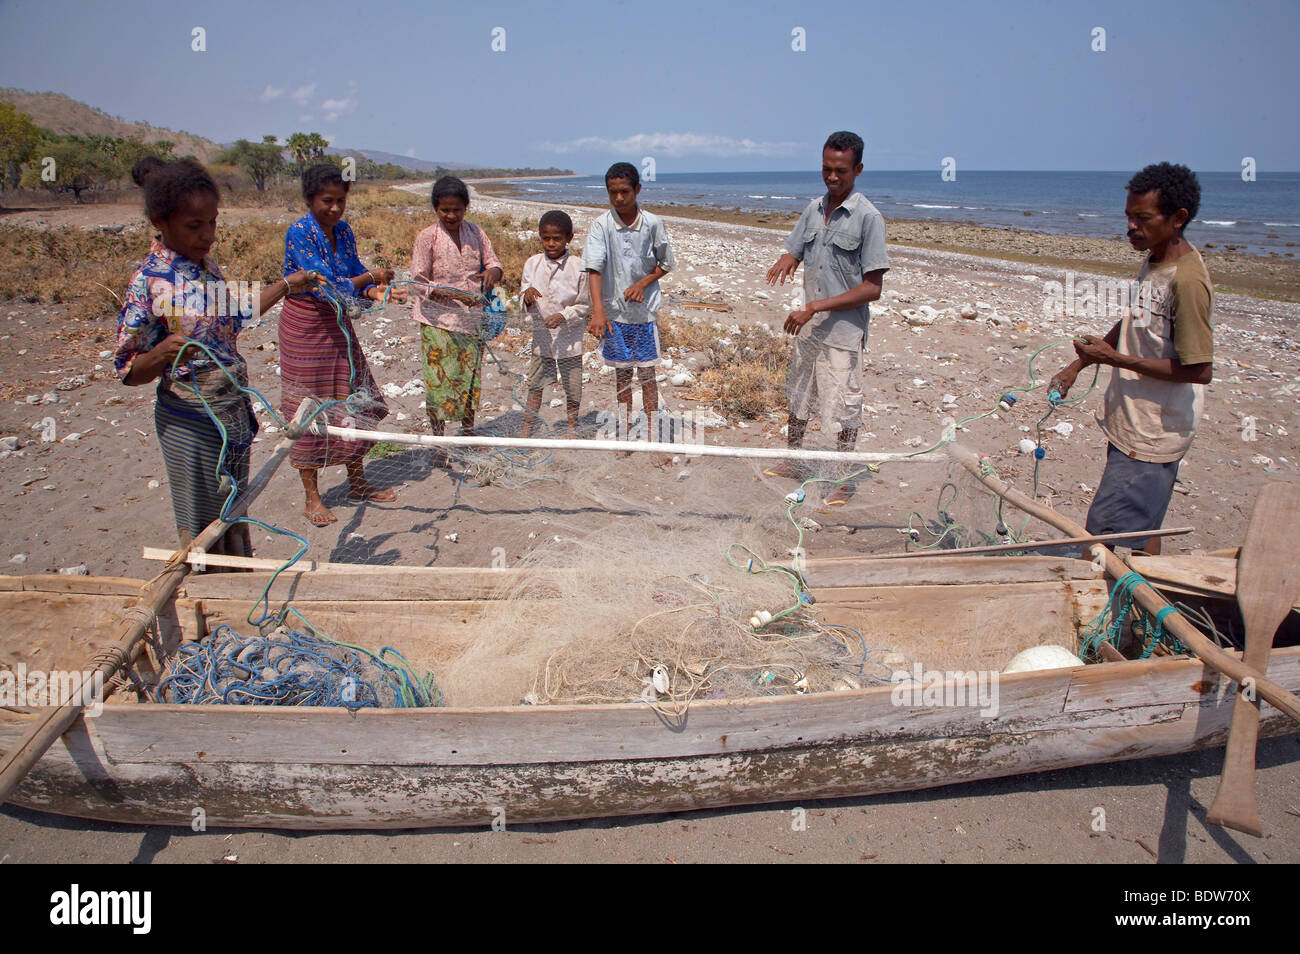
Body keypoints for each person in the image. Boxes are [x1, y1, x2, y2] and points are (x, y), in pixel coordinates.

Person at [114, 159, 319, 557]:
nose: (208, 236)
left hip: (231, 414)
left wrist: (288, 285)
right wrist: (161, 352)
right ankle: (205, 598)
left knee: (233, 512)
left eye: (213, 223)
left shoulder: (206, 268)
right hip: (191, 422)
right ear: (161, 220)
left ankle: (237, 591)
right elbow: (127, 369)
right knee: (201, 523)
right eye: (195, 226)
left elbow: (234, 315)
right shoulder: (151, 281)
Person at [1049, 162, 1213, 556]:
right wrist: (1080, 364)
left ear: (1177, 219)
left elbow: (1199, 369)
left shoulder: (1187, 281)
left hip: (1153, 436)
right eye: (1128, 217)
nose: (1131, 227)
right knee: (1142, 528)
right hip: (1132, 426)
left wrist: (1117, 360)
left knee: (1105, 537)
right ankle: (1145, 606)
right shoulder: (1156, 261)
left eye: (1142, 218)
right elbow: (1134, 323)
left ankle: (1122, 614)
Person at [765, 131, 890, 505]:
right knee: (799, 393)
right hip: (809, 324)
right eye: (826, 169)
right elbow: (797, 247)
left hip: (843, 331)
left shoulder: (869, 218)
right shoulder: (814, 208)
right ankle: (794, 459)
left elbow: (872, 288)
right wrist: (789, 257)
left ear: (858, 170)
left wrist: (815, 307)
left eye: (841, 171)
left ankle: (844, 478)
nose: (832, 178)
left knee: (843, 405)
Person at [281, 163, 402, 527]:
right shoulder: (299, 233)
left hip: (338, 327)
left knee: (352, 397)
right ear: (308, 199)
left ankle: (358, 482)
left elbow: (353, 272)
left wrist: (374, 289)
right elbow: (326, 283)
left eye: (340, 201)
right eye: (326, 201)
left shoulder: (344, 231)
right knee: (309, 406)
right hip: (306, 327)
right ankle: (312, 497)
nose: (334, 209)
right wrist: (369, 278)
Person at [410, 175, 503, 467]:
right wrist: (452, 295)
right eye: (445, 210)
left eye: (457, 210)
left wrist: (492, 274)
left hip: (471, 322)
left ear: (467, 207)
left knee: (469, 381)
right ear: (436, 208)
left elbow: (494, 263)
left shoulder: (476, 233)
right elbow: (417, 281)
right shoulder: (428, 237)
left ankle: (467, 435)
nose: (451, 216)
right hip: (437, 322)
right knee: (439, 383)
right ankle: (439, 445)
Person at [584, 162, 675, 456]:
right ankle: (623, 435)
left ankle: (652, 438)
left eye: (625, 191)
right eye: (613, 192)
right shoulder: (602, 225)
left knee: (647, 377)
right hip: (615, 315)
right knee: (622, 377)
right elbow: (594, 269)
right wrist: (598, 311)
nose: (619, 198)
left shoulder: (652, 224)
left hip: (644, 315)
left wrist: (643, 282)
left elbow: (666, 263)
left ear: (637, 189)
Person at [519, 210, 590, 438]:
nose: (551, 243)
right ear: (540, 237)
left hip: (569, 339)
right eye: (545, 238)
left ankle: (571, 428)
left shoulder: (579, 267)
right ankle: (528, 428)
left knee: (573, 386)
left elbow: (584, 305)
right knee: (535, 384)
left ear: (569, 238)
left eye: (557, 238)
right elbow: (523, 293)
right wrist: (526, 296)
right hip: (542, 338)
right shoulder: (532, 264)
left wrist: (563, 316)